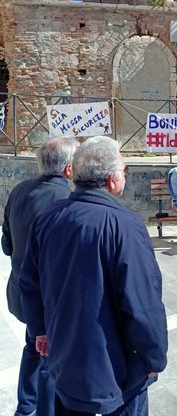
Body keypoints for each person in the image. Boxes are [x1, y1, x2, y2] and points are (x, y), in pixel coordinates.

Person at [19, 136, 168, 416]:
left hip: (64, 360)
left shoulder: (49, 217)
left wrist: (41, 329)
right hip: (117, 371)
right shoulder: (125, 226)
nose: (125, 176)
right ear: (112, 180)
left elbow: (29, 282)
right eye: (125, 171)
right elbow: (143, 304)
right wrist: (154, 358)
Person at [1, 136, 79, 416]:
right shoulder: (68, 200)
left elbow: (6, 243)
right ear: (69, 169)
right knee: (49, 358)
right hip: (50, 301)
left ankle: (25, 408)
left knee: (33, 347)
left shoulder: (19, 190)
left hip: (22, 294)